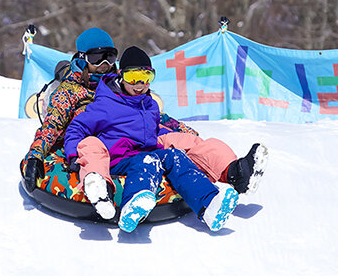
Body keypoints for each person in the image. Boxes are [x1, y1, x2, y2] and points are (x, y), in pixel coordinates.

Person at [19, 28, 268, 204]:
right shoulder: (70, 92)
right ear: (82, 59)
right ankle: (101, 187)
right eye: (97, 58)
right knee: (94, 148)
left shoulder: (123, 82)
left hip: (136, 136)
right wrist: (35, 155)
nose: (105, 64)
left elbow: (151, 113)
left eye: (110, 57)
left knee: (184, 142)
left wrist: (182, 131)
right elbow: (52, 126)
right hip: (101, 141)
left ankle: (234, 172)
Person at [64, 46, 240, 232]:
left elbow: (155, 131)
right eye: (133, 77)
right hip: (117, 157)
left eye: (146, 77)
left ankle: (209, 204)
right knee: (146, 160)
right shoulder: (106, 103)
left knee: (175, 156)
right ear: (122, 76)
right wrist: (73, 155)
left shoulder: (150, 104)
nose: (140, 84)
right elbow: (77, 127)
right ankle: (132, 206)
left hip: (145, 152)